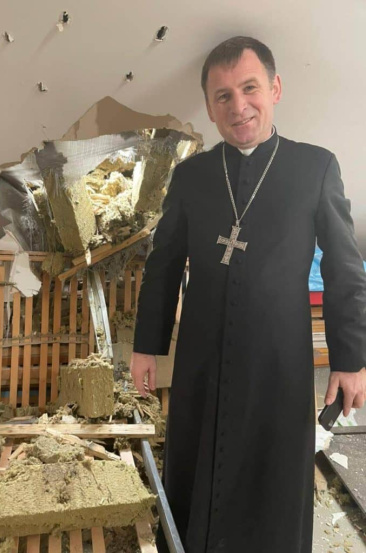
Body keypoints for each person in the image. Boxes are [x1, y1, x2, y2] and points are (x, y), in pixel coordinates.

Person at [130, 36, 366, 553]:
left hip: (280, 362)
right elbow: (163, 263)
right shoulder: (191, 176)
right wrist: (147, 346)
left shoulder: (315, 167)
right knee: (197, 470)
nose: (238, 106)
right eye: (223, 96)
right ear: (210, 107)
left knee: (273, 479)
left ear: (275, 88)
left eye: (250, 88)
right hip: (201, 359)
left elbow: (346, 268)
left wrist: (351, 360)